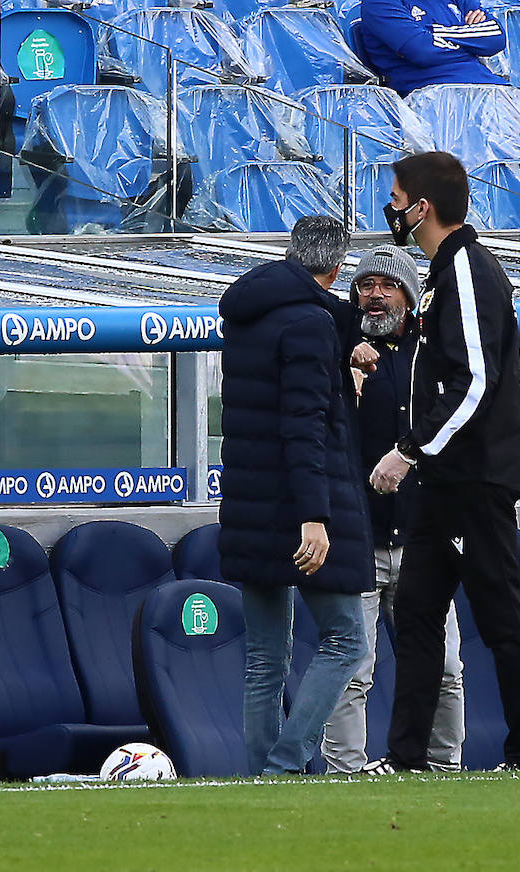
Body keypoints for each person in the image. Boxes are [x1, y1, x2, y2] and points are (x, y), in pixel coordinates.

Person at [365, 152, 520, 772]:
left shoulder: (468, 269)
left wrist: (411, 450)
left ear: (424, 206)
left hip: (473, 481)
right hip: (446, 483)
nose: (390, 208)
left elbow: (475, 381)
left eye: (396, 196)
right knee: (416, 614)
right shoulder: (443, 273)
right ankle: (406, 756)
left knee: (500, 618)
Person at [218, 215, 373, 776]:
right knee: (346, 640)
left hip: (249, 505)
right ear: (337, 266)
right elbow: (303, 424)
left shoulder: (248, 314)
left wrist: (343, 356)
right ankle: (285, 764)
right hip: (295, 507)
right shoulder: (310, 324)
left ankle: (263, 778)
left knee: (265, 658)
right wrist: (315, 516)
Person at [321, 245, 465, 774]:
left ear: (408, 294)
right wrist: (345, 362)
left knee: (444, 666)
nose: (374, 295)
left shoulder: (434, 357)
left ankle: (445, 766)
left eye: (387, 285)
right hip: (356, 540)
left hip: (423, 539)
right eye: (365, 284)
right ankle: (345, 773)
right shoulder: (335, 346)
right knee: (352, 670)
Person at [358, 0, 507, 97]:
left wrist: (431, 33)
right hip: (435, 101)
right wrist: (471, 40)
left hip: (490, 87)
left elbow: (496, 38)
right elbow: (421, 51)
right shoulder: (377, 3)